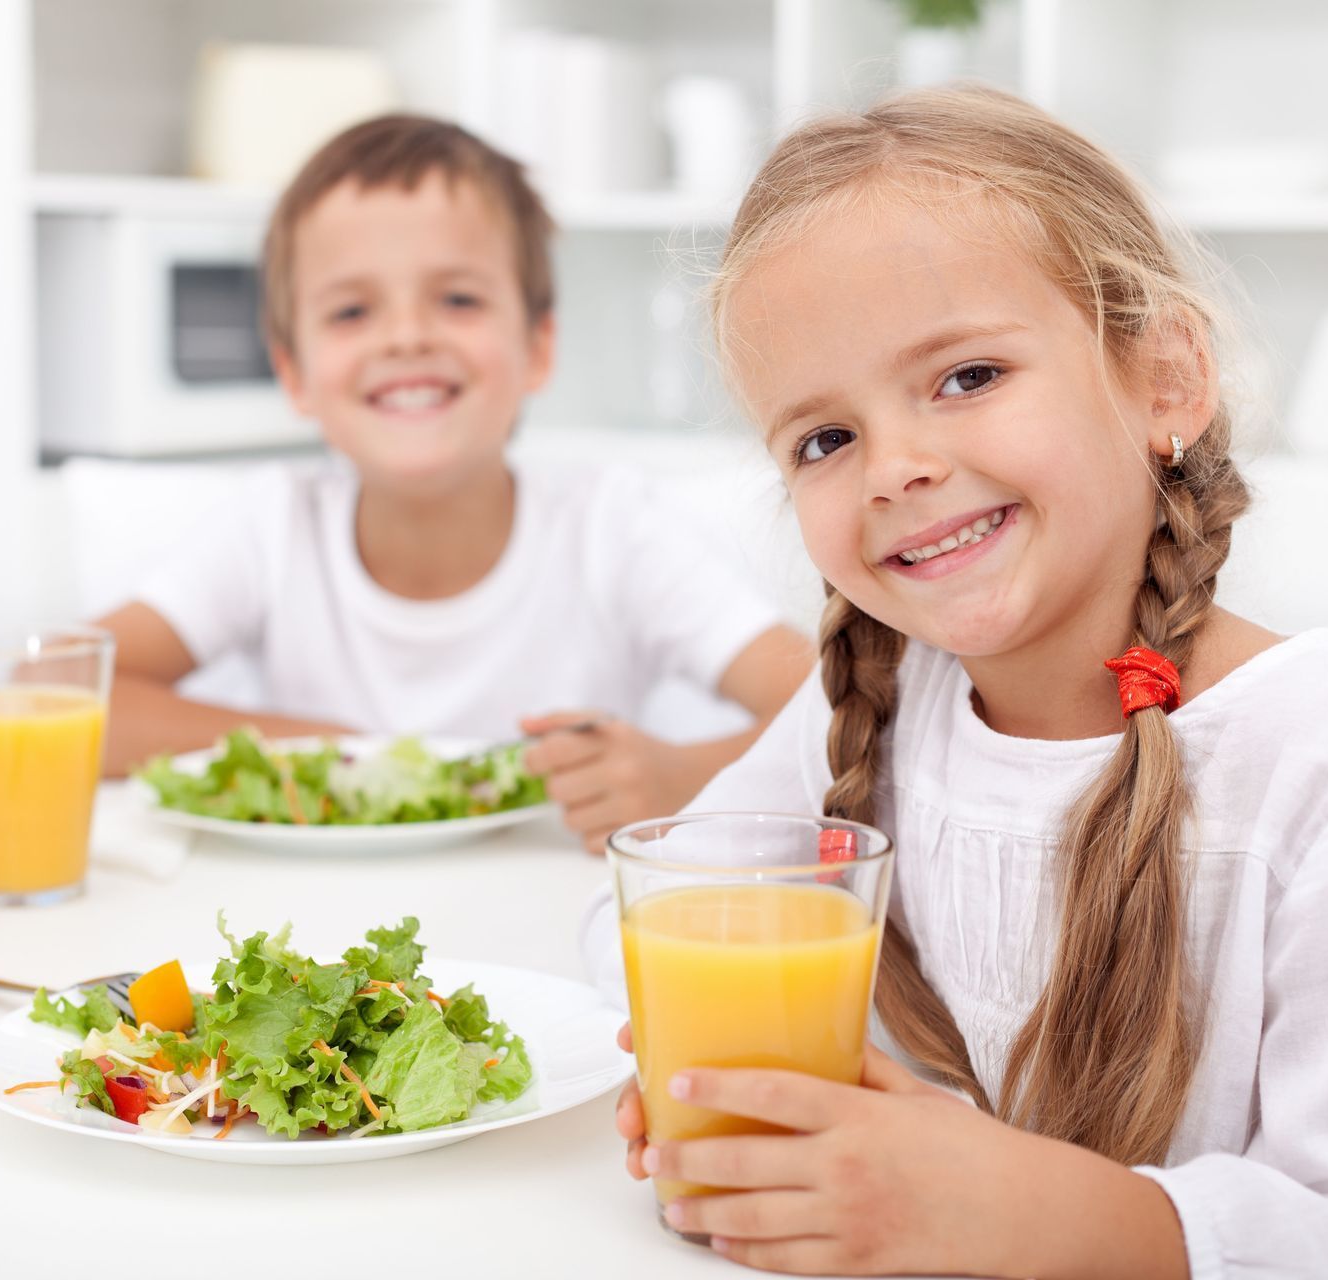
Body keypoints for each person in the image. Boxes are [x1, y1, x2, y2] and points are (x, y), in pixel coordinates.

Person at [587, 87, 1328, 1278]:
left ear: (1165, 379)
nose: (898, 468)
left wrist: (1001, 1205)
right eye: (824, 440)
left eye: (968, 375)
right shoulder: (879, 699)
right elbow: (659, 911)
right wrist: (704, 1070)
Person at [97, 115, 813, 851]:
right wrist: (326, 750)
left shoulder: (611, 527)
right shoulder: (273, 526)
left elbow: (833, 712)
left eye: (458, 300)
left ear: (537, 346)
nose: (407, 336)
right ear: (293, 373)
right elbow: (66, 694)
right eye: (351, 311)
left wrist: (682, 778)